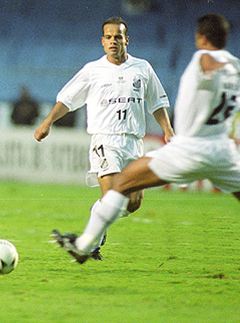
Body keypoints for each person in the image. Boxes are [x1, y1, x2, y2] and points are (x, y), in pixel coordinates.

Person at [52, 13, 240, 264]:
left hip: (189, 149)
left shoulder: (203, 58)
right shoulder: (237, 67)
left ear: (201, 37)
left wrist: (208, 65)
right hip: (223, 151)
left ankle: (83, 245)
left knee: (121, 186)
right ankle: (88, 245)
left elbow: (207, 61)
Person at [35, 16, 174, 259]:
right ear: (102, 41)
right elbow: (68, 98)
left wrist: (168, 129)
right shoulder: (93, 70)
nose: (113, 41)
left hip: (133, 142)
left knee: (133, 203)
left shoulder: (143, 68)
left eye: (118, 37)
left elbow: (157, 102)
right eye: (108, 37)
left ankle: (96, 220)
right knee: (112, 196)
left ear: (126, 40)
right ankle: (89, 244)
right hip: (105, 140)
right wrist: (48, 121)